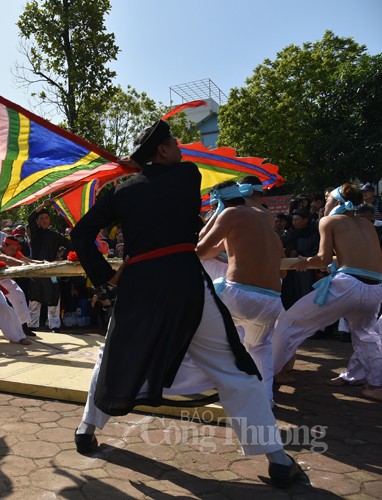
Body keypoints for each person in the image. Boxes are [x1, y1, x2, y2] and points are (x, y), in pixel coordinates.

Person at [71, 120, 301, 488]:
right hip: (181, 279)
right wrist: (138, 173)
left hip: (139, 284)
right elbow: (163, 187)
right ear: (162, 151)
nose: (180, 147)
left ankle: (86, 430)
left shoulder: (118, 193)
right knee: (232, 366)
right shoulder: (187, 175)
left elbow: (80, 233)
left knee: (113, 356)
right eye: (174, 142)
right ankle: (277, 459)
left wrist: (105, 275)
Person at [272, 184, 382, 401]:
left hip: (349, 285)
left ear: (338, 202)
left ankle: (267, 373)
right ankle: (370, 382)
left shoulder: (328, 220)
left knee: (288, 322)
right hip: (376, 287)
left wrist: (306, 261)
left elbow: (322, 259)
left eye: (327, 198)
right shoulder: (366, 223)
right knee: (365, 335)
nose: (324, 203)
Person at [197, 181, 285, 404]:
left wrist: (215, 218)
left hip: (239, 295)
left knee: (195, 326)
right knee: (259, 347)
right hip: (272, 301)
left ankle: (200, 386)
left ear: (219, 203)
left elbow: (200, 249)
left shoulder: (231, 214)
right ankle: (266, 399)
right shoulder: (268, 229)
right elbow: (282, 271)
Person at [27, 201, 69, 332]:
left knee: (53, 298)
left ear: (49, 219)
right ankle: (32, 326)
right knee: (34, 299)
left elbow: (70, 245)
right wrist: (43, 206)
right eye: (41, 218)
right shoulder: (35, 233)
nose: (44, 220)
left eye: (46, 218)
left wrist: (61, 256)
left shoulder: (55, 235)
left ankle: (54, 325)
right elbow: (30, 217)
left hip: (52, 270)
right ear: (38, 222)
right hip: (36, 270)